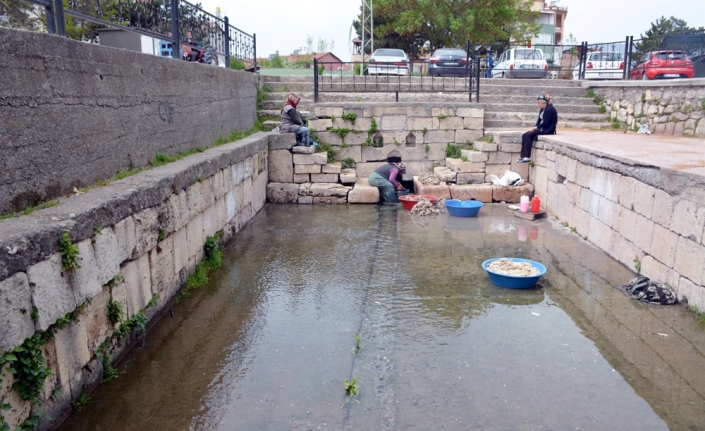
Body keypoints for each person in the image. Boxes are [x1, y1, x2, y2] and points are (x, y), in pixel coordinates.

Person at [518, 94, 558, 163]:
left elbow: (545, 123)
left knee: (528, 135)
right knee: (525, 135)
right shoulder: (542, 110)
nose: (538, 104)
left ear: (543, 102)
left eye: (539, 103)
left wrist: (535, 128)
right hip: (542, 127)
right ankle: (523, 156)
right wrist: (533, 128)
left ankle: (527, 157)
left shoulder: (550, 109)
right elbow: (538, 122)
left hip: (547, 129)